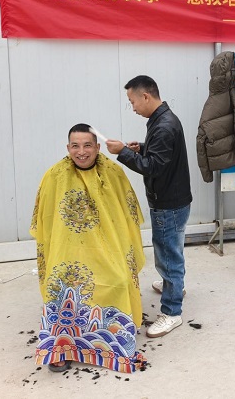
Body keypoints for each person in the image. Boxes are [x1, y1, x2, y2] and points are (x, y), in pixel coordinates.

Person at [30, 124, 146, 373]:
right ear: (68, 147)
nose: (81, 152)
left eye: (87, 145)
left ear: (97, 147)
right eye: (75, 146)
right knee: (59, 284)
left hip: (109, 248)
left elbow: (128, 215)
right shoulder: (54, 176)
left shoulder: (113, 172)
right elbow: (43, 219)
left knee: (119, 279)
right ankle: (60, 348)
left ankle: (115, 344)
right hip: (67, 251)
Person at [107, 75, 192, 338]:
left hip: (168, 204)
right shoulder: (162, 119)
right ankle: (173, 286)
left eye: (132, 101)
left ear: (145, 96)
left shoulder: (164, 125)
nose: (132, 107)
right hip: (174, 200)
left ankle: (172, 311)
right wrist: (141, 148)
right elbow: (161, 154)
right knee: (172, 250)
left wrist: (123, 152)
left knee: (168, 256)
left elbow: (153, 167)